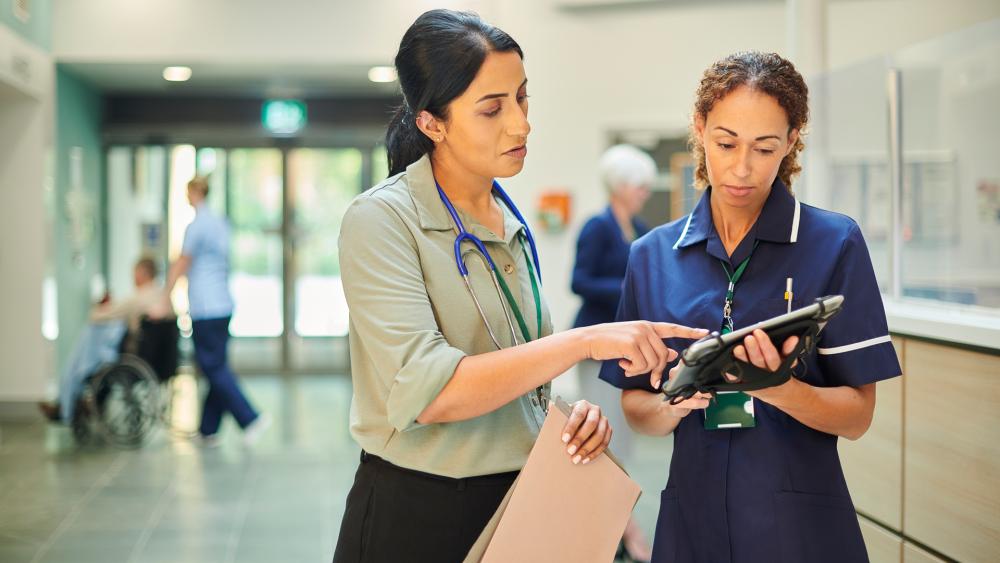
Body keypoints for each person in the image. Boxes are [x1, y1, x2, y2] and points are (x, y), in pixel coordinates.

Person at [331, 10, 706, 563]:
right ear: (432, 123)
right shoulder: (382, 220)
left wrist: (564, 417)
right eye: (492, 109)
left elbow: (516, 371)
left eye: (522, 98)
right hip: (417, 512)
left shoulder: (509, 220)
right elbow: (431, 392)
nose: (521, 125)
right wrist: (584, 342)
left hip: (518, 501)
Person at [602, 52, 903, 563]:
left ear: (791, 140)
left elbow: (857, 416)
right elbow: (636, 407)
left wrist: (777, 388)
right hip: (691, 521)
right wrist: (674, 404)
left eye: (764, 148)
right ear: (699, 128)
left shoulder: (834, 243)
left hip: (798, 528)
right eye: (726, 143)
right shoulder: (651, 256)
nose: (742, 168)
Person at [571, 143, 655, 562]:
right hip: (595, 348)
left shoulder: (638, 227)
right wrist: (626, 289)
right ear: (619, 185)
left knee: (622, 441)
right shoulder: (597, 227)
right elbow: (579, 281)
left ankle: (618, 527)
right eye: (639, 186)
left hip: (625, 348)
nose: (644, 193)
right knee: (603, 442)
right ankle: (625, 531)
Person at [166, 177, 269, 446]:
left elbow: (182, 263)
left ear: (196, 192)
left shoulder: (196, 226)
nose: (186, 197)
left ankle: (250, 417)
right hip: (223, 305)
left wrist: (165, 295)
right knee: (215, 366)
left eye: (188, 192)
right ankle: (208, 430)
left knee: (213, 367)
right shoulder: (220, 223)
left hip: (205, 308)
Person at [39, 257, 173, 423]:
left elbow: (96, 315)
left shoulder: (141, 297)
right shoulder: (161, 296)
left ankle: (66, 403)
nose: (133, 277)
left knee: (89, 337)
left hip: (135, 356)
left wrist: (101, 306)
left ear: (143, 273)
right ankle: (68, 400)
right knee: (93, 341)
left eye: (134, 273)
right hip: (157, 361)